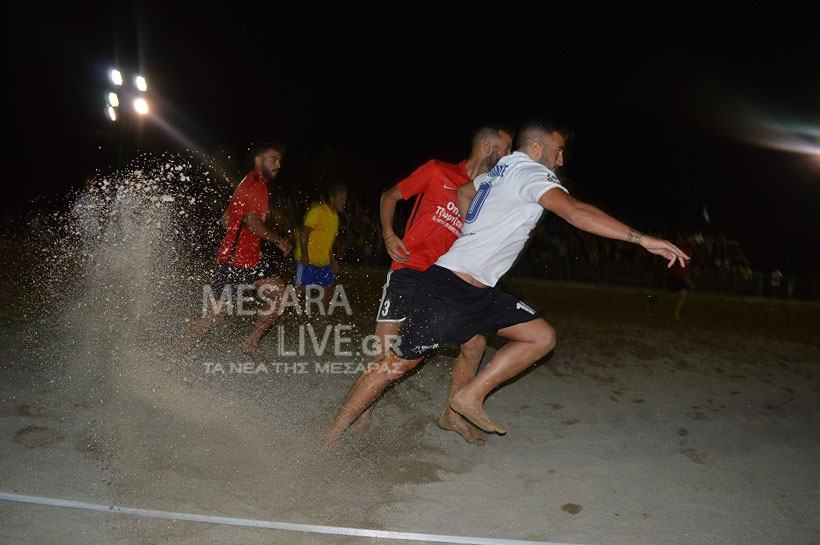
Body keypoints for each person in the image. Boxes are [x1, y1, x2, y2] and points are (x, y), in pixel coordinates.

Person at [323, 118, 689, 448]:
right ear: (536, 148)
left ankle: (467, 399)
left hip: (479, 291)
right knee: (395, 363)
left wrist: (474, 229)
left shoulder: (503, 170)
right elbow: (575, 213)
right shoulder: (530, 172)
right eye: (558, 151)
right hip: (450, 288)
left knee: (541, 336)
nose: (561, 161)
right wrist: (642, 240)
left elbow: (465, 192)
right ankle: (331, 436)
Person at [355, 124, 513, 445]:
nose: (509, 157)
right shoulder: (437, 171)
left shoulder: (485, 192)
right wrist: (389, 234)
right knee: (384, 351)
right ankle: (363, 409)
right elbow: (390, 195)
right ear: (487, 147)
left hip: (446, 281)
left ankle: (451, 414)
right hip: (409, 270)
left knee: (475, 344)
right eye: (506, 150)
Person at [178, 143, 292, 362]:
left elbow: (225, 219)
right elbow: (252, 223)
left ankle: (250, 344)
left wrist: (236, 224)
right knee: (215, 315)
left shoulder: (248, 183)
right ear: (258, 161)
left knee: (279, 293)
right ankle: (176, 356)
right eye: (272, 159)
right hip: (235, 261)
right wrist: (279, 240)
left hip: (251, 258)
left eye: (279, 160)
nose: (278, 164)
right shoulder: (256, 185)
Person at [295, 185, 347, 317]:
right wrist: (305, 254)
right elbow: (304, 233)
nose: (344, 202)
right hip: (308, 259)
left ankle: (321, 317)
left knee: (329, 289)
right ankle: (282, 314)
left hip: (324, 261)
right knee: (299, 291)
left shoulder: (335, 217)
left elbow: (328, 243)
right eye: (341, 199)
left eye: (345, 199)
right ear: (332, 198)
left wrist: (333, 262)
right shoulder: (319, 212)